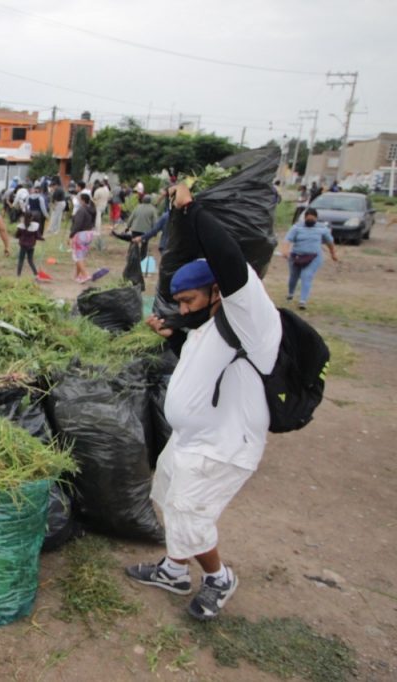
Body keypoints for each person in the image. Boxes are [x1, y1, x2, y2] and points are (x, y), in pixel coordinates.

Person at [126, 181, 282, 623]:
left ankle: (218, 578)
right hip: (193, 439)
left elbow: (229, 259)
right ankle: (174, 571)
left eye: (188, 300)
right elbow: (203, 368)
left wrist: (191, 211)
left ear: (216, 290)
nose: (182, 308)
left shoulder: (248, 314)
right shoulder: (208, 324)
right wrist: (174, 335)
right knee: (169, 494)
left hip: (224, 446)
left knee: (191, 513)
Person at [283, 207, 339, 309]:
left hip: (314, 257)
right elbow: (287, 239)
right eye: (308, 219)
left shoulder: (322, 228)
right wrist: (285, 250)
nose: (310, 221)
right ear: (304, 218)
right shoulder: (297, 227)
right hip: (296, 256)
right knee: (294, 276)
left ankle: (302, 301)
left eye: (312, 219)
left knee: (306, 275)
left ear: (316, 218)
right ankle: (290, 293)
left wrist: (333, 254)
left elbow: (329, 242)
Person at [69, 192, 96, 283]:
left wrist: (71, 235)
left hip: (80, 235)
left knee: (77, 256)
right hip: (89, 234)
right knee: (81, 256)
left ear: (83, 201)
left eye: (79, 199)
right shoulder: (91, 210)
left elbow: (77, 224)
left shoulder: (81, 210)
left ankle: (85, 275)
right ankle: (77, 276)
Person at [15, 210, 44, 278]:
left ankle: (18, 275)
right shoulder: (35, 226)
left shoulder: (21, 226)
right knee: (30, 260)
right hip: (31, 246)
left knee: (21, 260)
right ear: (32, 218)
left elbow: (17, 235)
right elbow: (37, 236)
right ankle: (36, 274)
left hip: (23, 246)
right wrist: (42, 239)